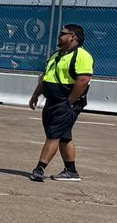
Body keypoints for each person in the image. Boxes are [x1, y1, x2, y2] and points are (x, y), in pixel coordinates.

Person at [28, 23, 94, 182]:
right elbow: (46, 77)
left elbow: (84, 79)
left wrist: (70, 101)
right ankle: (71, 171)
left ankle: (39, 168)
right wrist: (36, 94)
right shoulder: (57, 55)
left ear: (73, 37)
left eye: (62, 33)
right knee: (64, 136)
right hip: (52, 101)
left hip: (66, 103)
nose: (59, 36)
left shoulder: (82, 55)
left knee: (54, 135)